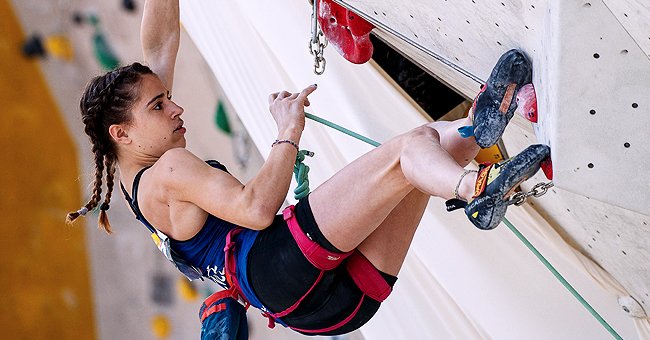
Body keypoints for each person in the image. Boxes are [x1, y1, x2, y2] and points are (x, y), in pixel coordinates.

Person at [66, 0, 550, 337]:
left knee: (417, 169)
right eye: (159, 106)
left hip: (330, 312)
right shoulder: (168, 168)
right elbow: (254, 209)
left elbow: (160, 43)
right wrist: (287, 128)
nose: (176, 109)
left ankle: (476, 130)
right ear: (121, 133)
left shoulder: (135, 178)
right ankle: (476, 187)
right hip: (279, 265)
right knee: (411, 149)